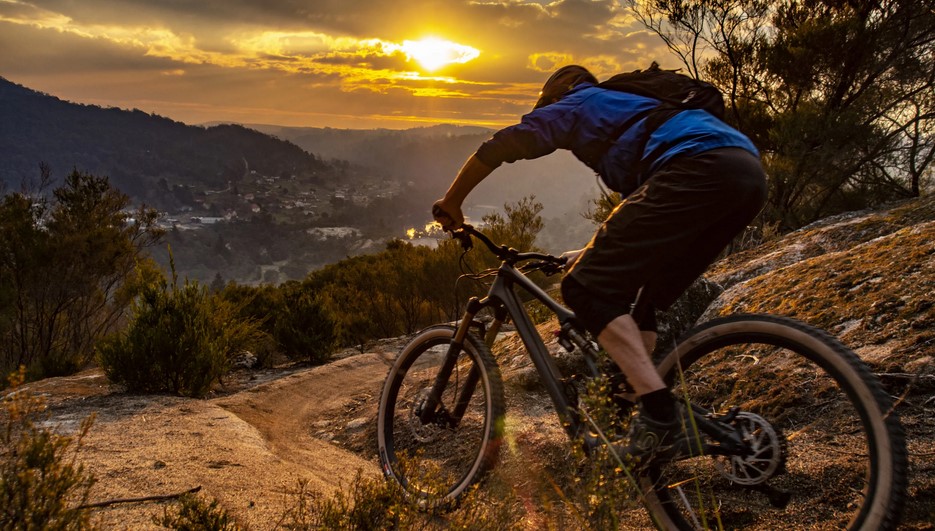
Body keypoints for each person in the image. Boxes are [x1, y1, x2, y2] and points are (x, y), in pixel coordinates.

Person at [432, 64, 767, 464]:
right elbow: (644, 211)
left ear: (555, 95)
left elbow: (502, 145)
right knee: (643, 298)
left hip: (696, 168)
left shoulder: (577, 102)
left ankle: (661, 418)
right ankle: (636, 410)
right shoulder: (630, 104)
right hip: (745, 173)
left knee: (582, 288)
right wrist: (590, 252)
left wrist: (452, 201)